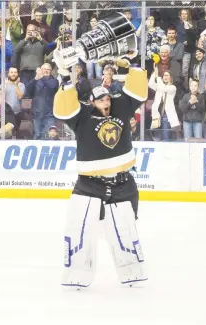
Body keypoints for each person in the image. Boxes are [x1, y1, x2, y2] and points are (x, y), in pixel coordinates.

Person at [53, 58, 148, 289]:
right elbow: (63, 110)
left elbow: (138, 92)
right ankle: (76, 273)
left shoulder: (121, 107)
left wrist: (131, 64)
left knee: (125, 230)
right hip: (89, 184)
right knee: (79, 229)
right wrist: (65, 79)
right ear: (91, 101)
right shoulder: (82, 115)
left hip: (122, 183)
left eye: (107, 96)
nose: (105, 100)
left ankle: (132, 272)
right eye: (100, 98)